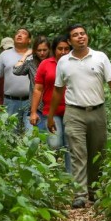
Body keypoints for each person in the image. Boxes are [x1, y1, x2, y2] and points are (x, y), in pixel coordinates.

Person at [47, 24, 111, 208]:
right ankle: (80, 195)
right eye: (75, 35)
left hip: (97, 110)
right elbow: (58, 91)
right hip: (74, 112)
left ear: (87, 36)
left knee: (98, 152)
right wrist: (50, 116)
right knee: (78, 153)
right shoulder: (64, 62)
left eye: (83, 34)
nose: (80, 37)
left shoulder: (100, 57)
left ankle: (94, 191)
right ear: (69, 41)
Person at [30, 34, 72, 172]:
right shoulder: (45, 64)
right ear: (54, 50)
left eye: (66, 48)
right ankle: (52, 173)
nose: (63, 52)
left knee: (71, 146)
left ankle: (71, 177)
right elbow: (37, 89)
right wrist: (34, 112)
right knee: (55, 143)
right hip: (51, 111)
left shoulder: (74, 63)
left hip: (72, 110)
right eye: (60, 49)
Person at [0, 29, 31, 131]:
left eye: (24, 34)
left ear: (29, 40)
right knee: (11, 133)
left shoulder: (34, 54)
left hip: (31, 100)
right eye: (17, 33)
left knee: (31, 133)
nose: (19, 35)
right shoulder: (5, 55)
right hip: (10, 101)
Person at [13, 35, 51, 132]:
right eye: (39, 50)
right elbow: (16, 70)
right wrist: (25, 55)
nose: (42, 53)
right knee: (39, 137)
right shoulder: (31, 63)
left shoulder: (54, 62)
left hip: (52, 105)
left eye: (44, 50)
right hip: (37, 107)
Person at [0, 37, 15, 105]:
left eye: (10, 49)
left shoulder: (20, 60)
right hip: (1, 99)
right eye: (6, 49)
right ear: (2, 50)